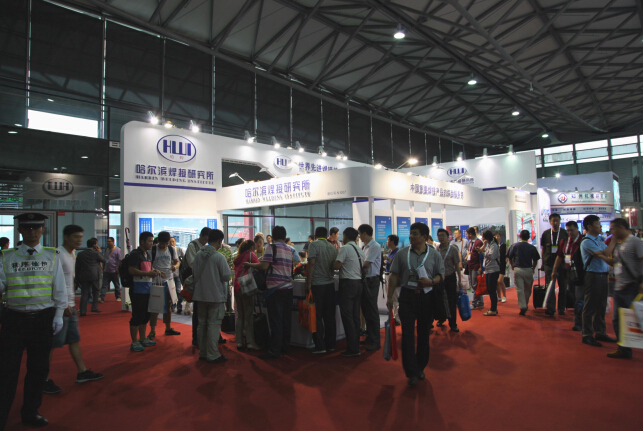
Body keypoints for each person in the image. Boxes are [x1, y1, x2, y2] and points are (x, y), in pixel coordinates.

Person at [0, 213, 66, 429]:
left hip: (42, 319)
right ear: (19, 230)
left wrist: (59, 314)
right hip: (14, 319)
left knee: (38, 369)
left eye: (36, 227)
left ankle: (30, 412)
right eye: (27, 227)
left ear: (42, 230)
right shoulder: (6, 256)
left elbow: (59, 287)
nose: (31, 231)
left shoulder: (52, 255)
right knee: (7, 370)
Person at [44, 225, 103, 395]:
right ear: (66, 237)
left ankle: (82, 372)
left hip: (70, 305)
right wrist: (61, 305)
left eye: (80, 237)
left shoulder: (72, 254)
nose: (79, 240)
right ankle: (43, 379)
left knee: (74, 340)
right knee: (50, 345)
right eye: (75, 237)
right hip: (60, 307)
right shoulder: (58, 254)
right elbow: (50, 282)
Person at [387, 222, 445, 386]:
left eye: (415, 234)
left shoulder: (434, 255)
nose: (411, 236)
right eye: (410, 233)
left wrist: (431, 282)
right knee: (407, 334)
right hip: (407, 296)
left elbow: (441, 275)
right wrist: (390, 297)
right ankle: (411, 371)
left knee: (423, 334)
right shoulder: (402, 254)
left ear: (424, 237)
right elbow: (394, 275)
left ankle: (420, 367)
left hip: (426, 297)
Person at [590, 218, 642, 358]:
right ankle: (623, 349)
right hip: (620, 287)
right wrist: (601, 256)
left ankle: (625, 349)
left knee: (636, 318)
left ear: (621, 228)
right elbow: (616, 263)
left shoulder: (635, 242)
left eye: (613, 228)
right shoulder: (619, 244)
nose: (611, 231)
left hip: (632, 287)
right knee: (619, 320)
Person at [244, 226, 295, 360]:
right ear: (285, 236)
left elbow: (264, 266)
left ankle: (274, 351)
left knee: (275, 321)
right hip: (288, 289)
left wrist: (249, 265)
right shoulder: (289, 250)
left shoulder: (271, 248)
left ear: (272, 236)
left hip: (275, 289)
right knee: (286, 320)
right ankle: (285, 347)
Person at [193, 229, 231, 364]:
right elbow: (226, 276)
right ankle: (213, 354)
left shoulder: (198, 255)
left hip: (200, 295)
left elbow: (194, 272)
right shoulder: (218, 257)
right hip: (215, 296)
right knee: (213, 325)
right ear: (220, 241)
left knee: (202, 324)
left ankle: (203, 352)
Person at [579, 215, 617, 347]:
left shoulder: (598, 240)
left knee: (601, 305)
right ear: (589, 226)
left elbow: (604, 254)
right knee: (590, 306)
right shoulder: (587, 242)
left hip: (602, 275)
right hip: (593, 276)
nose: (600, 226)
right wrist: (613, 240)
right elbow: (605, 253)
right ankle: (587, 335)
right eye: (598, 224)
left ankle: (600, 332)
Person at [306, 227, 339, 354]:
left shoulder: (313, 245)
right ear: (326, 235)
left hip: (317, 284)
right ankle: (331, 345)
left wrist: (308, 283)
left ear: (315, 235)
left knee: (317, 316)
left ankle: (320, 346)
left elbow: (311, 263)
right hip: (330, 284)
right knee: (329, 316)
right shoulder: (332, 247)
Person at [333, 227, 365, 357]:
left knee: (347, 316)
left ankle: (352, 348)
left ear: (345, 236)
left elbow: (336, 265)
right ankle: (355, 345)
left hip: (347, 284)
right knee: (355, 316)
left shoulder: (345, 248)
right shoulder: (359, 249)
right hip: (358, 283)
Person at [128, 232, 161, 352]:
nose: (152, 243)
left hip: (147, 289)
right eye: (149, 241)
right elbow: (131, 270)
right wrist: (148, 273)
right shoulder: (135, 254)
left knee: (145, 316)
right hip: (137, 290)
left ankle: (142, 338)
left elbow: (148, 268)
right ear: (142, 241)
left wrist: (156, 271)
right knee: (137, 316)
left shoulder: (146, 254)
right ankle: (134, 341)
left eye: (152, 241)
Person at [550, 221, 583, 329]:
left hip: (582, 273)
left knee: (580, 297)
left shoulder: (583, 241)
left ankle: (579, 321)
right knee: (573, 296)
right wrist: (554, 270)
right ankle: (580, 318)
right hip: (569, 272)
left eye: (572, 230)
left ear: (577, 229)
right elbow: (560, 256)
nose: (570, 233)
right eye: (568, 230)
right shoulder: (564, 241)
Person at [148, 231, 181, 339]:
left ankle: (168, 328)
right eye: (163, 243)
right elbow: (148, 265)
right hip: (156, 281)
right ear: (158, 241)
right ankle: (152, 330)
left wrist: (175, 266)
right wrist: (157, 271)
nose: (165, 245)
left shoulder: (171, 249)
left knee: (168, 306)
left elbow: (177, 261)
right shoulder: (153, 249)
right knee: (155, 307)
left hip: (169, 280)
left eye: (166, 243)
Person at [357, 224, 382, 352]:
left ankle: (375, 341)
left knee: (372, 311)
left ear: (365, 233)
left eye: (360, 234)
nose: (359, 237)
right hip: (366, 280)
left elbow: (366, 264)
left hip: (371, 281)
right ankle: (371, 336)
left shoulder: (374, 246)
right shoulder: (365, 246)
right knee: (366, 310)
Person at [232, 240, 260, 351]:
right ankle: (250, 342)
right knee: (248, 315)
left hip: (236, 286)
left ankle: (239, 342)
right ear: (251, 247)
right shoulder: (251, 254)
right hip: (246, 285)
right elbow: (259, 265)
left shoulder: (239, 257)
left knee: (240, 316)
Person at [186, 227, 211, 346]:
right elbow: (191, 263)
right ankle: (196, 337)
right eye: (205, 239)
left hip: (206, 282)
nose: (206, 241)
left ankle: (206, 337)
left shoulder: (207, 247)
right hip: (197, 282)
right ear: (201, 236)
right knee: (197, 311)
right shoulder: (193, 246)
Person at [541, 213, 569, 316]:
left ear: (560, 221)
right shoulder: (546, 233)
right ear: (550, 222)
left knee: (563, 287)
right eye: (553, 221)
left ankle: (561, 308)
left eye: (557, 220)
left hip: (562, 264)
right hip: (549, 263)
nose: (556, 222)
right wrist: (543, 262)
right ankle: (551, 308)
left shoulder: (565, 233)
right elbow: (543, 248)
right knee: (550, 287)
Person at [507, 230, 541, 315]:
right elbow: (536, 260)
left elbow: (509, 257)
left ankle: (522, 306)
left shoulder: (514, 246)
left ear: (520, 236)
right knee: (527, 289)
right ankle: (525, 303)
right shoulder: (532, 247)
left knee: (520, 289)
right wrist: (533, 268)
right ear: (529, 237)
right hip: (528, 269)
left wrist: (512, 265)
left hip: (518, 269)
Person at [436, 228, 461, 332]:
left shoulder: (453, 249)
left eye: (443, 236)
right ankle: (441, 319)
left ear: (448, 237)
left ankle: (453, 324)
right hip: (439, 279)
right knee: (440, 301)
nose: (440, 238)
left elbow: (457, 265)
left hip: (450, 278)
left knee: (451, 301)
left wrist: (459, 279)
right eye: (439, 236)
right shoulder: (437, 249)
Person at [75, 238, 106, 316]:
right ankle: (94, 307)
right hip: (95, 275)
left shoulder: (80, 254)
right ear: (94, 245)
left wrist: (77, 277)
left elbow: (77, 266)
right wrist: (100, 252)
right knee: (96, 291)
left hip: (84, 276)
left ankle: (82, 311)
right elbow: (104, 260)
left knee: (84, 293)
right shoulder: (96, 253)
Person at [477, 230, 500, 316]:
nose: (482, 238)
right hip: (488, 269)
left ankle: (493, 309)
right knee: (490, 290)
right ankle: (493, 308)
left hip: (493, 270)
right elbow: (482, 252)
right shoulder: (489, 245)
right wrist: (483, 246)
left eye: (483, 236)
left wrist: (482, 252)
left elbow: (491, 256)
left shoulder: (494, 245)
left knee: (492, 290)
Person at [465, 227, 484, 308]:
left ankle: (474, 303)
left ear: (470, 234)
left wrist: (480, 267)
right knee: (474, 285)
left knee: (475, 285)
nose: (466, 236)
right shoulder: (471, 242)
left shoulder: (479, 242)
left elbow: (481, 255)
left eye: (467, 234)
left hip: (476, 266)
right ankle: (480, 302)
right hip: (470, 265)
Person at [384, 235, 401, 324]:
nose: (387, 242)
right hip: (387, 275)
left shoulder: (398, 252)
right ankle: (391, 317)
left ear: (392, 242)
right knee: (389, 297)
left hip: (394, 276)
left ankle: (397, 318)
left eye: (388, 240)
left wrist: (387, 258)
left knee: (395, 298)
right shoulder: (390, 252)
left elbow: (395, 263)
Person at [100, 236, 122, 302]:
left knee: (116, 285)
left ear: (113, 242)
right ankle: (101, 297)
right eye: (107, 241)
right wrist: (103, 267)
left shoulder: (117, 250)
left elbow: (120, 260)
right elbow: (105, 259)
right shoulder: (106, 250)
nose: (108, 243)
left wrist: (118, 268)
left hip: (114, 271)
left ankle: (118, 297)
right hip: (106, 270)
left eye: (109, 241)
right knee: (104, 285)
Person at [169, 237, 185, 313]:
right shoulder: (168, 250)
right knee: (171, 290)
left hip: (177, 273)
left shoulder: (179, 249)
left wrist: (178, 263)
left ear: (175, 242)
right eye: (170, 242)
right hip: (170, 275)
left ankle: (179, 306)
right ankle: (173, 306)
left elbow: (184, 259)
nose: (171, 243)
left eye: (173, 241)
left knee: (178, 290)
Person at [494, 232, 507, 303]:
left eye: (498, 236)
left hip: (502, 265)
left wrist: (506, 260)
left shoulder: (503, 245)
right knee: (496, 282)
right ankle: (499, 296)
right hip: (495, 265)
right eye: (495, 236)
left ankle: (504, 296)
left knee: (500, 281)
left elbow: (507, 254)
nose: (497, 237)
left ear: (500, 237)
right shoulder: (493, 245)